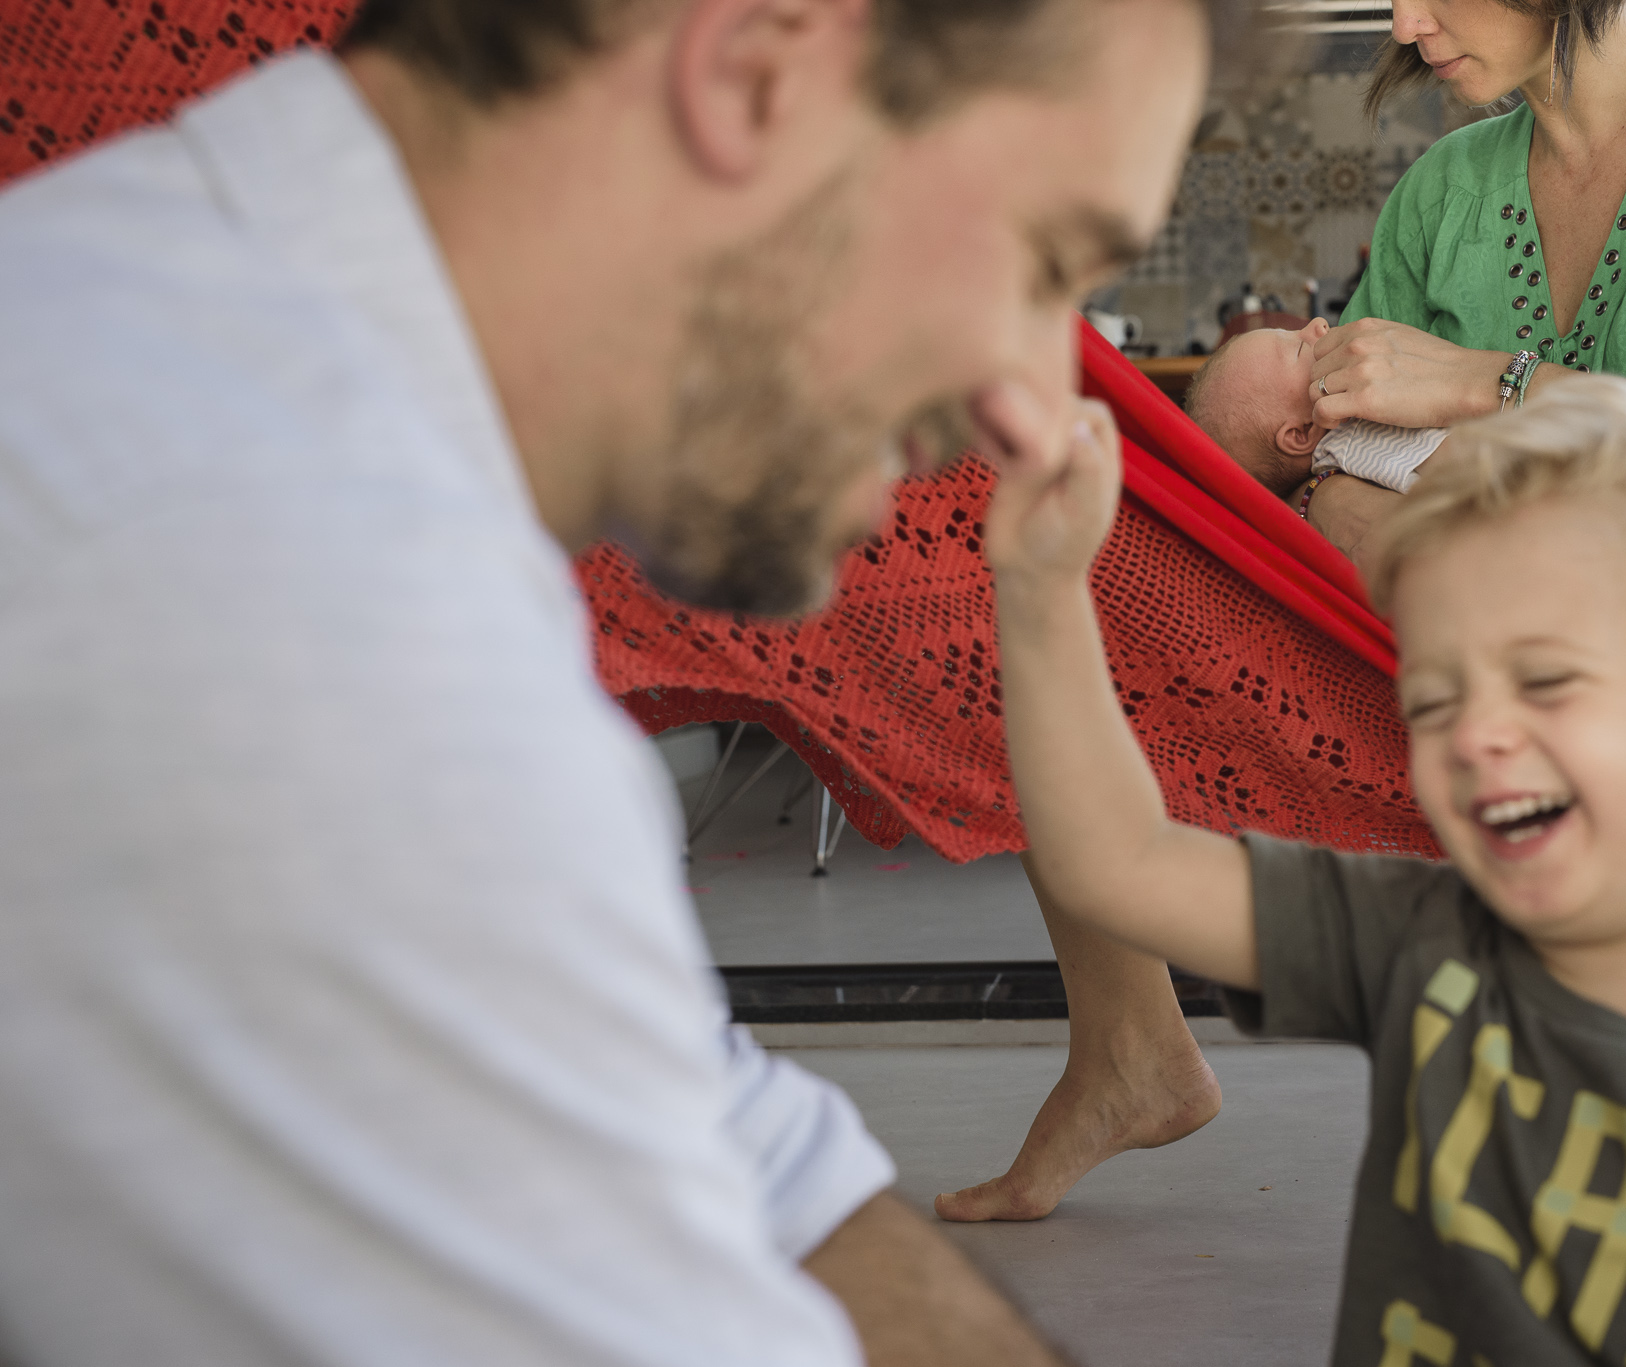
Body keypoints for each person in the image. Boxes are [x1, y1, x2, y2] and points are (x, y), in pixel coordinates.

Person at [0, 0, 1239, 1362]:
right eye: (1043, 258)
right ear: (758, 74)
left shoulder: (210, 339)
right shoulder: (305, 600)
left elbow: (752, 1168)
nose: (1029, 401)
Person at [942, 0, 1626, 1225]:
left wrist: (1483, 384)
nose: (1402, 19)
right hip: (1393, 630)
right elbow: (1333, 459)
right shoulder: (1447, 186)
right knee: (1058, 554)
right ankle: (1126, 1043)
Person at [981, 374, 1626, 1365]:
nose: (1474, 733)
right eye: (1432, 700)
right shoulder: (1415, 940)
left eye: (1544, 679)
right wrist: (1038, 592)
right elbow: (1114, 861)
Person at [1183, 318, 1447, 499]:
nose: (1317, 324)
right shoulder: (1358, 441)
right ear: (1302, 432)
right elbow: (1476, 461)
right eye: (1299, 347)